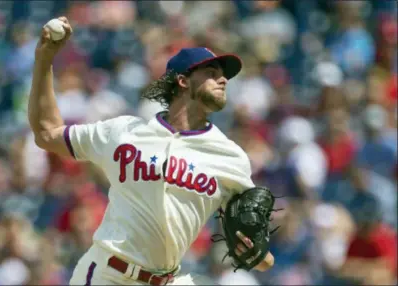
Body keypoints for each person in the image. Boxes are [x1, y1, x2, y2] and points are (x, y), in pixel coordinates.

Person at [28, 17, 274, 285]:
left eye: (224, 75)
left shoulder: (230, 157)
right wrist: (45, 59)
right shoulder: (124, 132)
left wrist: (256, 252)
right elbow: (47, 133)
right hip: (107, 274)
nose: (223, 79)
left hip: (169, 279)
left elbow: (263, 259)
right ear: (183, 81)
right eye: (212, 73)